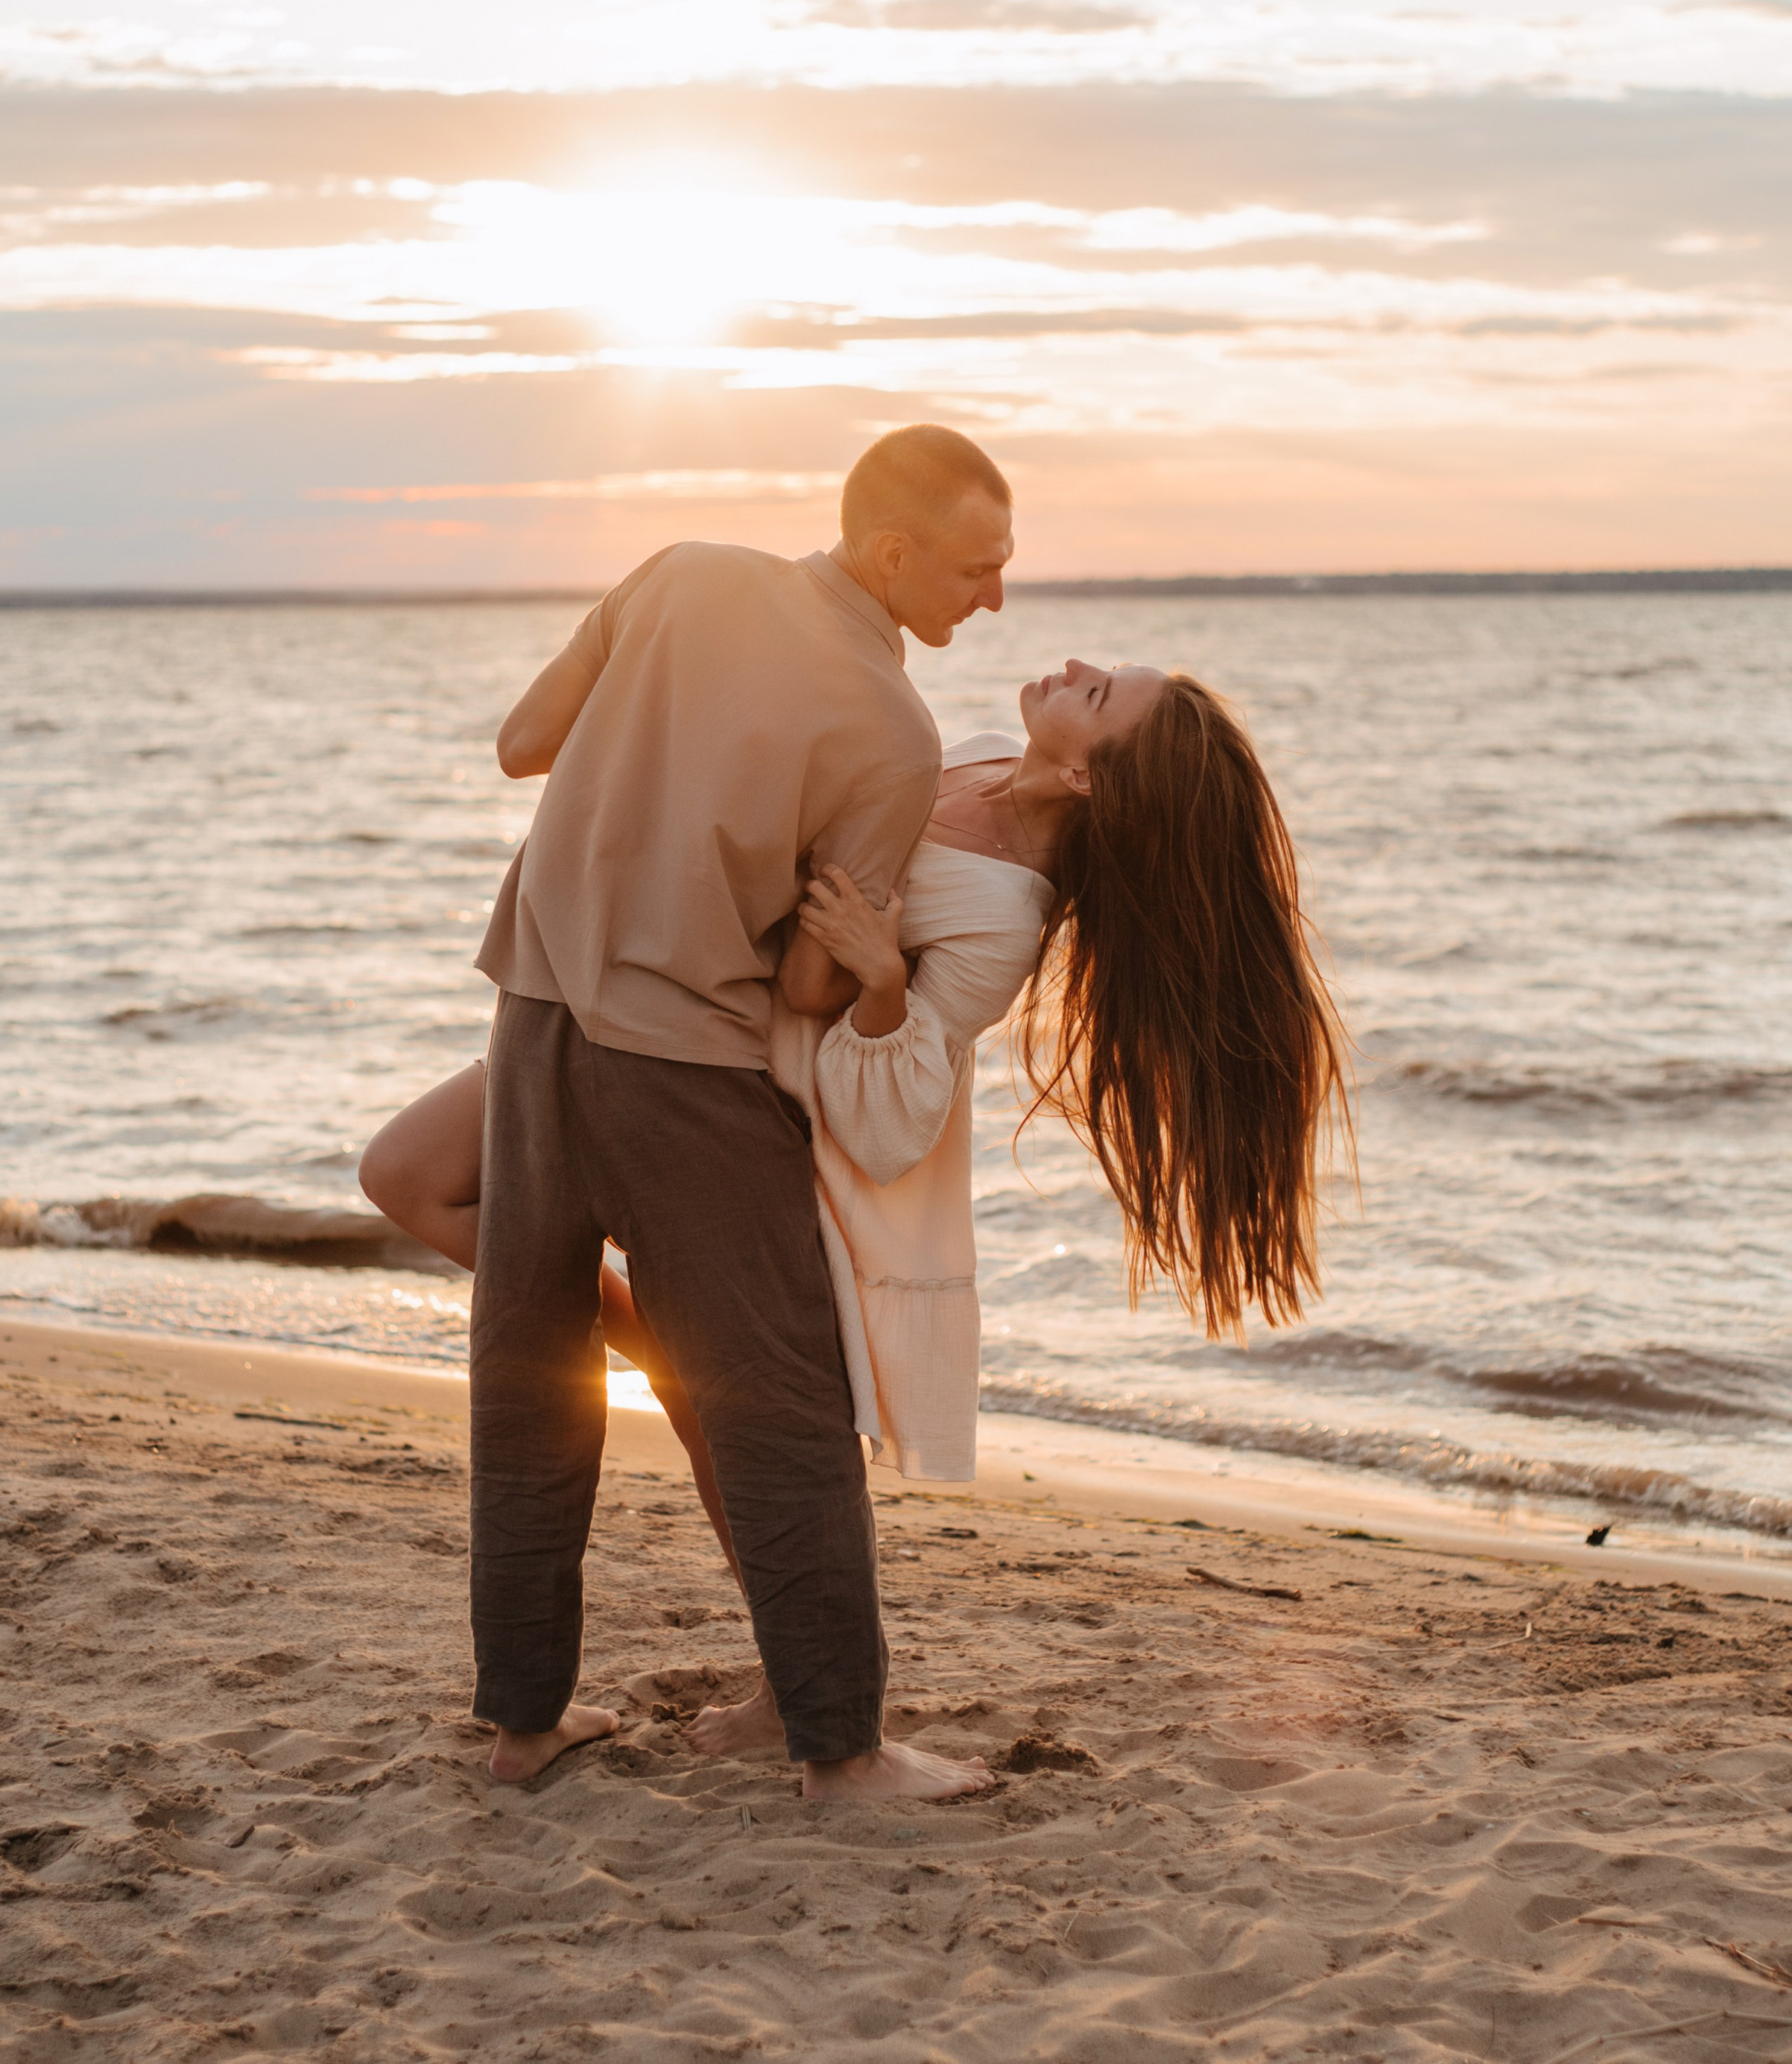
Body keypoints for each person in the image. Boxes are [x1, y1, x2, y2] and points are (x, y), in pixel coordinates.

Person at [367, 618, 1349, 1756]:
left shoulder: (1004, 916)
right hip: (643, 998)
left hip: (728, 1082)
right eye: (1097, 668)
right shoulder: (968, 749)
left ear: (1087, 772)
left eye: (1098, 693)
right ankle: (638, 1339)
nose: (1074, 667)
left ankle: (793, 1696)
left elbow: (887, 1118)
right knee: (409, 1174)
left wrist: (881, 987)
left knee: (734, 1427)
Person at [431, 424, 1015, 1803]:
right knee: (780, 1406)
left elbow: (523, 746)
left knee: (523, 1377)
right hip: (683, 1070)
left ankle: (523, 1730)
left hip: (531, 1029)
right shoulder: (895, 731)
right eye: (980, 569)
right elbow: (811, 978)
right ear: (892, 554)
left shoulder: (679, 573)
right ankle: (844, 1755)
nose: (994, 598)